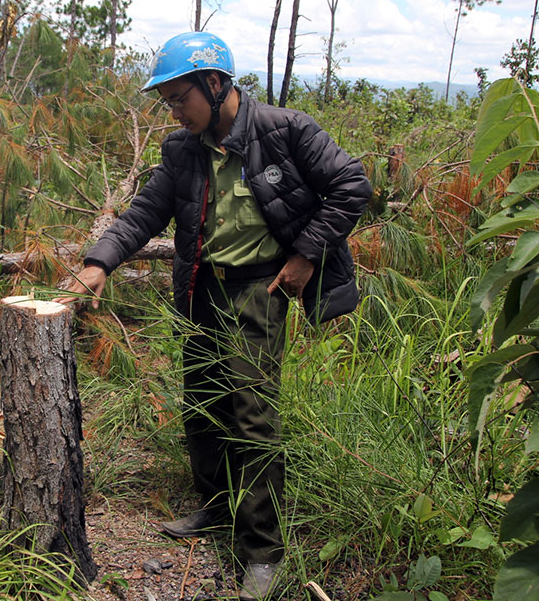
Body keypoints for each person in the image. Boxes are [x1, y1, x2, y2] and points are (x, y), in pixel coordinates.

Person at [56, 31, 372, 599]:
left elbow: (351, 186)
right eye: (168, 102)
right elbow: (147, 210)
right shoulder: (184, 149)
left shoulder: (285, 131)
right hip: (203, 288)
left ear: (216, 83)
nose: (174, 113)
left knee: (251, 417)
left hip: (261, 288)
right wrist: (99, 262)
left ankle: (263, 552)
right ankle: (217, 509)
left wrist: (304, 257)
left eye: (181, 99)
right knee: (203, 402)